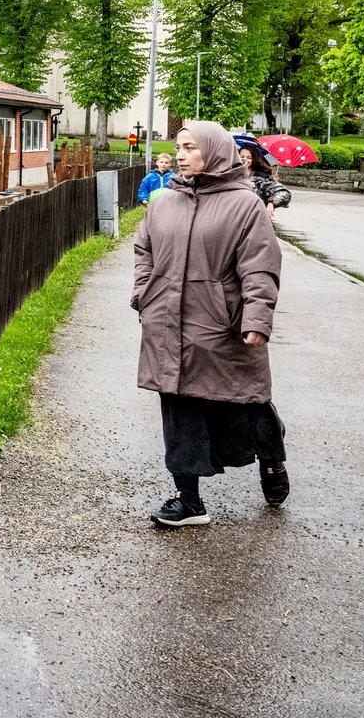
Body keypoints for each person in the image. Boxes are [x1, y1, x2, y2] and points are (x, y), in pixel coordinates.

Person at [132, 120, 288, 527]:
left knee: (246, 401)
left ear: (214, 152)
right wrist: (142, 293)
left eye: (189, 148)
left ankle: (271, 461)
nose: (179, 155)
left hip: (222, 325)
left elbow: (260, 267)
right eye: (177, 147)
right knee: (177, 403)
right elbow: (143, 249)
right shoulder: (164, 201)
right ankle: (188, 500)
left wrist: (257, 318)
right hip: (166, 322)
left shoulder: (245, 204)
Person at [235, 139, 292, 215]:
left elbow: (284, 194)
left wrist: (271, 203)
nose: (245, 159)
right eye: (242, 156)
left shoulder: (261, 179)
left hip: (252, 217)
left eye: (249, 157)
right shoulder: (229, 174)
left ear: (254, 160)